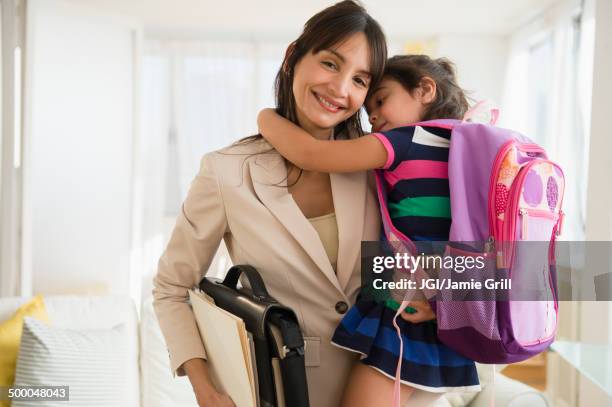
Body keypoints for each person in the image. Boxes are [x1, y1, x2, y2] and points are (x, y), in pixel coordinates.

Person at [152, 2, 388, 406]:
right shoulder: (227, 171)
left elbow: (431, 259)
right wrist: (205, 388)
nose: (341, 90)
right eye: (331, 64)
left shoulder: (378, 168)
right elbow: (172, 288)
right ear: (293, 55)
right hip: (284, 389)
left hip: (385, 386)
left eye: (360, 80)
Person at [256, 54, 481, 406]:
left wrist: (265, 117)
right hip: (447, 315)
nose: (373, 116)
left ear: (424, 89)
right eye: (368, 110)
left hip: (404, 319)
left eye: (381, 100)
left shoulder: (403, 142)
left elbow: (311, 155)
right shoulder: (465, 148)